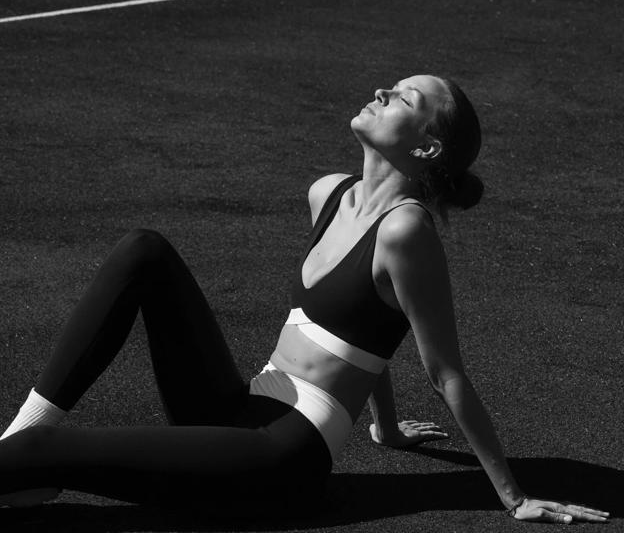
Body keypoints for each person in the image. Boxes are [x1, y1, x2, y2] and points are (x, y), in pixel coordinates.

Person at [0, 75, 608, 524]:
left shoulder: (406, 231)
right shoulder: (329, 193)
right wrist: (386, 427)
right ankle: (20, 448)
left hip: (278, 457)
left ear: (425, 148)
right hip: (237, 406)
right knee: (145, 251)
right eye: (391, 86)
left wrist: (514, 496)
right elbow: (369, 326)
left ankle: (22, 457)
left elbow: (444, 369)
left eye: (404, 99)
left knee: (44, 455)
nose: (382, 91)